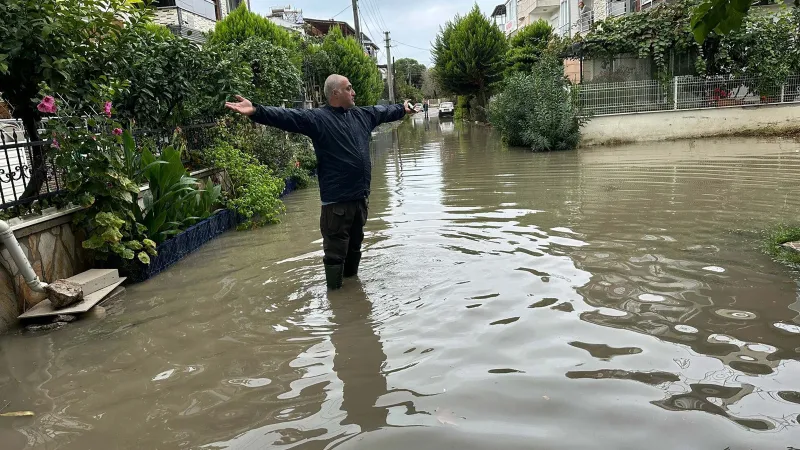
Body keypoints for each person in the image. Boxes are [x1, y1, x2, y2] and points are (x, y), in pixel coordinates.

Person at [224, 74, 416, 290]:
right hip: (336, 205)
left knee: (355, 248)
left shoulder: (362, 115)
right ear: (335, 93)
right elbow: (287, 116)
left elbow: (382, 111)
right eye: (349, 88)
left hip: (360, 199)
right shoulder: (318, 119)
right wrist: (257, 111)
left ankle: (353, 294)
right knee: (335, 254)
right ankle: (335, 299)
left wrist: (403, 108)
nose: (354, 92)